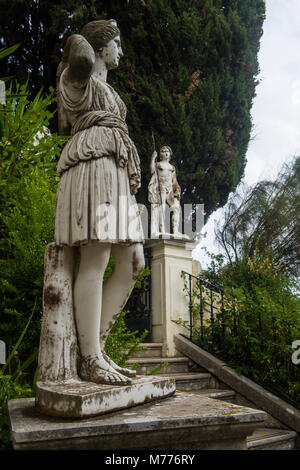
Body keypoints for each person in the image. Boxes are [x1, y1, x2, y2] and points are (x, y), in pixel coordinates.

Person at [54, 20, 145, 385]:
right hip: (92, 162)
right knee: (97, 255)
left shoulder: (111, 93)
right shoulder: (78, 80)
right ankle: (90, 358)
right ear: (101, 47)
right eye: (117, 44)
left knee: (134, 261)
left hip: (116, 167)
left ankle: (96, 350)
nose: (121, 51)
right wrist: (84, 39)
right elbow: (77, 55)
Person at [148, 146, 181, 236]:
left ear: (170, 154)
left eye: (167, 151)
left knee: (176, 208)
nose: (166, 153)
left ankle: (175, 231)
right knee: (162, 207)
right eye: (163, 151)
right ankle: (161, 229)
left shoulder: (172, 167)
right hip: (160, 187)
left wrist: (177, 189)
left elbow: (174, 181)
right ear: (160, 154)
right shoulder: (158, 164)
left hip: (169, 189)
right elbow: (152, 171)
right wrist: (153, 159)